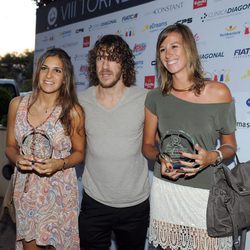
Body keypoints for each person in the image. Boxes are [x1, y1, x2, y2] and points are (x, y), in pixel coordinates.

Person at [142, 23, 237, 250]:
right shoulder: (155, 97)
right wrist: (160, 158)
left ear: (189, 49)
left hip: (205, 194)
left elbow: (230, 146)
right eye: (162, 49)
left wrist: (211, 157)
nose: (168, 54)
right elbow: (147, 145)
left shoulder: (219, 92)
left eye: (174, 46)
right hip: (167, 190)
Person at [5, 48, 85, 250]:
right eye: (44, 68)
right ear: (37, 72)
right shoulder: (17, 104)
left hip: (60, 192)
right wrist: (17, 159)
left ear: (65, 77)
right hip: (27, 192)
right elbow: (10, 147)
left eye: (57, 71)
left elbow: (80, 153)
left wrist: (60, 163)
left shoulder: (73, 111)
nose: (49, 75)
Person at [78, 34, 150, 250]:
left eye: (113, 58)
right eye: (100, 58)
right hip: (94, 203)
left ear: (124, 64)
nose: (105, 66)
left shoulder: (144, 99)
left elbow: (155, 143)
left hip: (135, 205)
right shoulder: (81, 101)